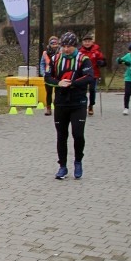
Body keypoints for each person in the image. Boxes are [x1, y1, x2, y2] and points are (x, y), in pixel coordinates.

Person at [44, 31, 94, 180]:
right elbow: (47, 77)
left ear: (75, 46)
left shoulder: (83, 59)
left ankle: (78, 161)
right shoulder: (55, 59)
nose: (66, 49)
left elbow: (90, 77)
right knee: (61, 135)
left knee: (78, 134)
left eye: (69, 46)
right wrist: (58, 83)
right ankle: (62, 166)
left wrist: (73, 84)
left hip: (78, 102)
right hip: (60, 103)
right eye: (63, 46)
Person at [79, 34, 106, 116]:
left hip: (93, 74)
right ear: (83, 43)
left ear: (92, 42)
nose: (87, 43)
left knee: (92, 90)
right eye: (85, 41)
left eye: (89, 41)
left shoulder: (96, 51)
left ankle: (91, 105)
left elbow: (104, 61)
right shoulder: (80, 51)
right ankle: (82, 105)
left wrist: (101, 63)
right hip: (82, 74)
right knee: (82, 90)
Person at [39, 36, 60, 116]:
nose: (54, 45)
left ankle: (57, 106)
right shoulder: (45, 53)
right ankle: (48, 108)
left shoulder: (61, 52)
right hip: (48, 75)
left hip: (58, 75)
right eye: (52, 43)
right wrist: (43, 73)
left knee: (58, 92)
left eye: (55, 43)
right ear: (49, 44)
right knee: (49, 92)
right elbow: (42, 64)